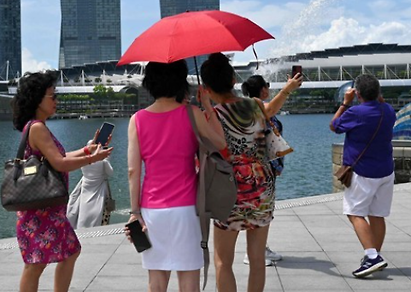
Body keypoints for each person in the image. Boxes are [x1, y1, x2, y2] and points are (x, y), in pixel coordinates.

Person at [126, 60, 226, 292]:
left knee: (157, 280)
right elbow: (220, 144)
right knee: (189, 280)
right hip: (186, 208)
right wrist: (208, 107)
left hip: (152, 210)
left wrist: (134, 212)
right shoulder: (192, 113)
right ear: (180, 80)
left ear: (149, 82)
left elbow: (133, 171)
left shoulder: (137, 120)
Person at [12, 71, 113, 292]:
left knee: (69, 251)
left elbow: (62, 157)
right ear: (38, 99)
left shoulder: (38, 126)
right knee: (35, 264)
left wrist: (89, 149)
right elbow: (59, 163)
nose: (56, 100)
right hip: (40, 210)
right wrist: (92, 158)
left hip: (48, 208)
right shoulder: (37, 127)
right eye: (52, 96)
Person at [200, 53, 274, 292]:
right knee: (257, 259)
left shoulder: (212, 116)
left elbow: (213, 151)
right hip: (262, 185)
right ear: (233, 79)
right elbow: (264, 144)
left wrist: (207, 108)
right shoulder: (256, 106)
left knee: (223, 261)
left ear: (207, 87)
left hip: (229, 190)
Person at [329, 74, 396, 278]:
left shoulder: (356, 112)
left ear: (357, 94)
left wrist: (344, 103)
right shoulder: (389, 110)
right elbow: (381, 104)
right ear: (378, 92)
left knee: (355, 213)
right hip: (386, 170)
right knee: (377, 214)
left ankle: (372, 256)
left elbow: (334, 126)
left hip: (363, 172)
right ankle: (375, 255)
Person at [240, 72, 303, 265]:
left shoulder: (253, 107)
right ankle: (251, 253)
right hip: (257, 168)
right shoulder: (252, 107)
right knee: (258, 209)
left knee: (264, 209)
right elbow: (269, 112)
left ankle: (261, 248)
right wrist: (287, 89)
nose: (268, 88)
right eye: (266, 85)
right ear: (261, 89)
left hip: (266, 168)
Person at [67, 154, 114, 228]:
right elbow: (110, 172)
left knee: (83, 210)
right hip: (99, 189)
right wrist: (107, 160)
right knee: (98, 212)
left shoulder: (84, 160)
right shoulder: (102, 161)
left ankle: (81, 227)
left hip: (85, 187)